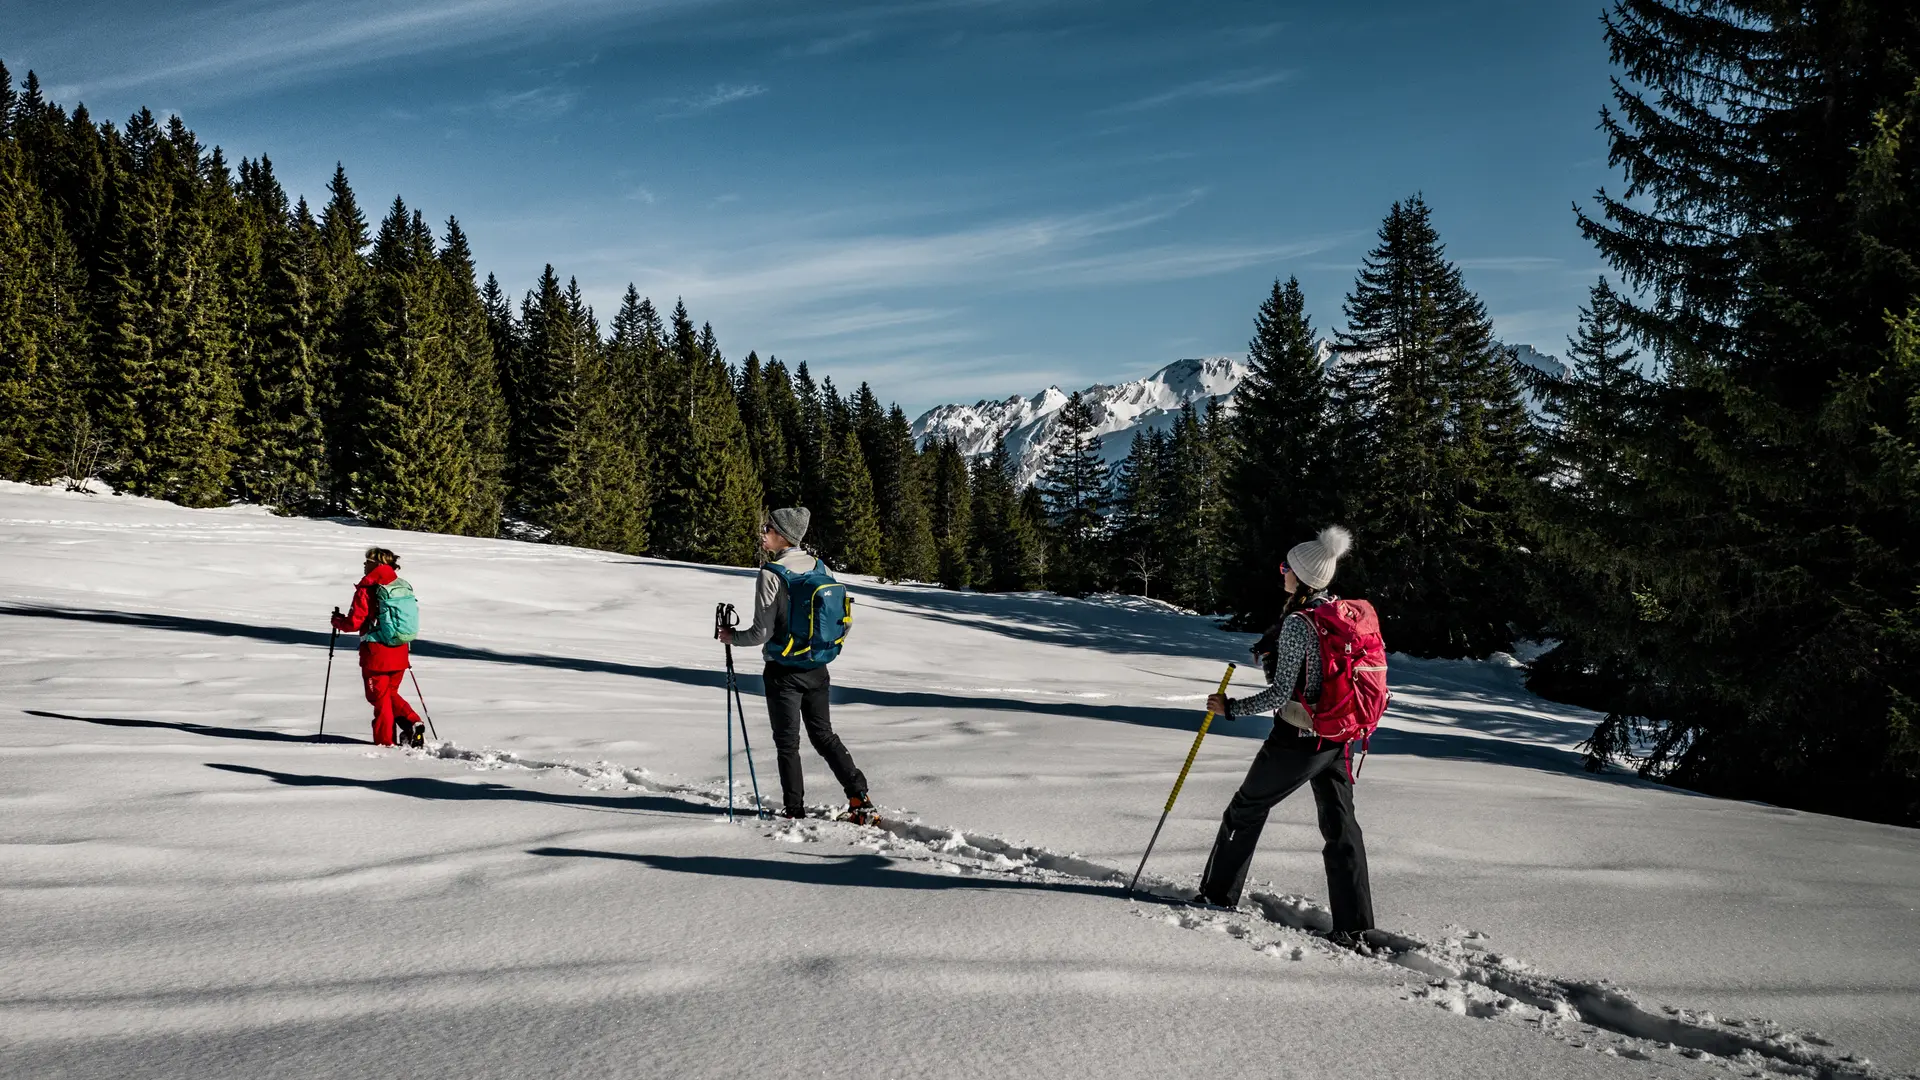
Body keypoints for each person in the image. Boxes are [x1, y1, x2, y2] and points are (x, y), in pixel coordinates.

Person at [1195, 525, 1376, 950]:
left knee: (1245, 808)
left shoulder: (1299, 623)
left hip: (1299, 736)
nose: (1282, 573)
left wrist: (1231, 708)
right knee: (1340, 825)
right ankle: (1352, 925)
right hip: (1339, 736)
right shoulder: (1339, 613)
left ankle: (1216, 897)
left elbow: (1281, 694)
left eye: (1287, 567)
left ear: (1302, 575)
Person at [719, 507, 876, 823]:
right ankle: (860, 797)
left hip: (782, 672)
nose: (763, 533)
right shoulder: (822, 568)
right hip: (817, 667)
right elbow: (841, 622)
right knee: (824, 736)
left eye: (768, 528)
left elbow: (761, 633)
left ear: (783, 534)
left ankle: (795, 811)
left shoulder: (771, 574)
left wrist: (729, 637)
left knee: (787, 744)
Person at [331, 547, 424, 749]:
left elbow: (355, 622)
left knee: (378, 698)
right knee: (389, 693)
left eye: (368, 561)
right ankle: (412, 722)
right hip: (400, 648)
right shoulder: (401, 585)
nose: (365, 564)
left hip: (376, 652)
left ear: (378, 564)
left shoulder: (368, 588)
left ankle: (385, 743)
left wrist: (337, 622)